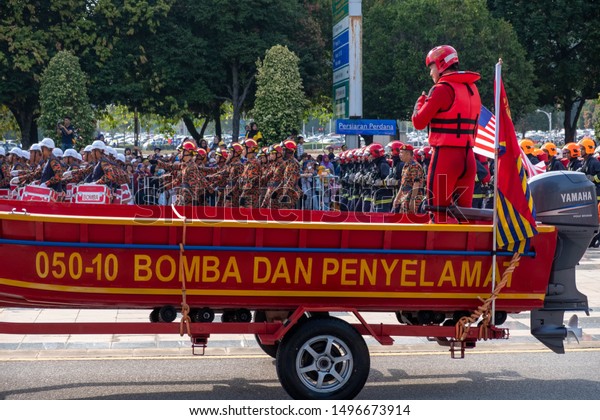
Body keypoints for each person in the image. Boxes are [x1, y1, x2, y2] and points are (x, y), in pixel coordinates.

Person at [412, 45, 481, 222]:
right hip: (468, 159)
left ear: (441, 64)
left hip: (446, 158)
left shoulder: (442, 89)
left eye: (431, 67)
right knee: (465, 216)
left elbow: (419, 122)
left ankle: (439, 249)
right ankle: (468, 250)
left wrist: (420, 103)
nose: (430, 73)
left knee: (438, 212)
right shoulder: (472, 89)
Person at [392, 144, 424, 214]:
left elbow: (416, 184)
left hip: (412, 197)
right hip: (404, 197)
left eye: (401, 153)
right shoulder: (405, 166)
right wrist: (397, 198)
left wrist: (413, 200)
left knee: (411, 220)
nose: (400, 155)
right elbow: (403, 184)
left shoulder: (415, 166)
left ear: (408, 154)